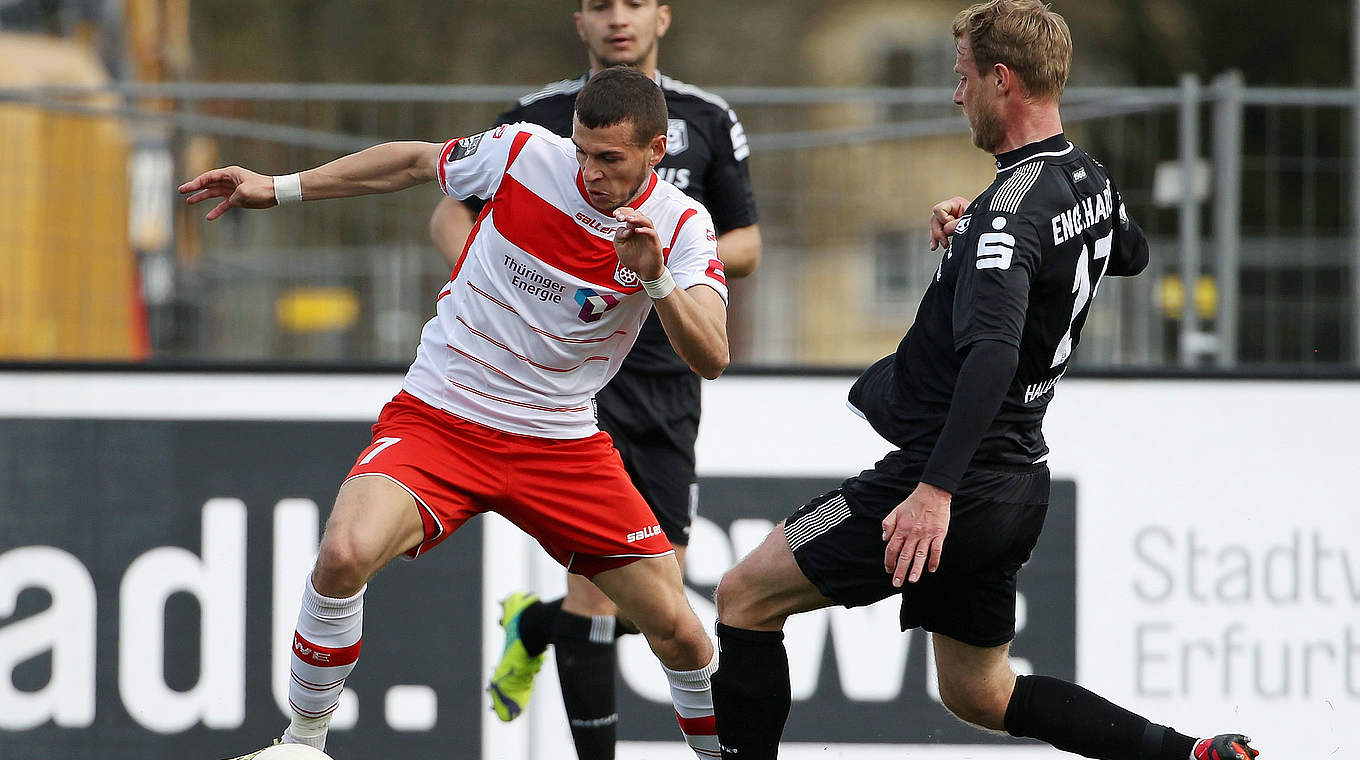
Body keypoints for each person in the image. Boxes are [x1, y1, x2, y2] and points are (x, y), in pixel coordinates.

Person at [705, 3, 1259, 760]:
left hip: (951, 478)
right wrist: (980, 233)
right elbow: (1125, 250)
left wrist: (933, 491)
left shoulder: (1008, 216)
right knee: (980, 694)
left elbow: (993, 354)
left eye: (962, 77)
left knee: (744, 595)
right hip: (1016, 480)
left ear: (1002, 80)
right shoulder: (1085, 178)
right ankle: (1190, 754)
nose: (953, 94)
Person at [180, 67, 728, 760]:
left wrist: (656, 277)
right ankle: (303, 744)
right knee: (343, 552)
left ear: (655, 150)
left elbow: (711, 355)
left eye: (609, 159)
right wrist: (279, 187)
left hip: (559, 443)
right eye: (582, 150)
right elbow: (410, 162)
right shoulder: (526, 153)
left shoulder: (681, 224)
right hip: (441, 417)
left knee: (680, 632)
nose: (587, 171)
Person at [427, 2, 759, 757]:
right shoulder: (542, 120)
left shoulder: (706, 119)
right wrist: (513, 280)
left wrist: (665, 260)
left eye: (633, 3)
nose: (618, 19)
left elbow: (746, 244)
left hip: (663, 370)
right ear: (578, 21)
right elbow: (451, 212)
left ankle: (533, 626)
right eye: (600, 5)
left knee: (657, 597)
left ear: (662, 18)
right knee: (597, 591)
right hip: (562, 376)